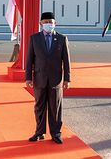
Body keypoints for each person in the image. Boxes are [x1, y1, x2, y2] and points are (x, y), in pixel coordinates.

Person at [25, 11, 71, 144]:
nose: (48, 25)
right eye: (45, 22)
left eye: (50, 22)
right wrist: (28, 77)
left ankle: (56, 133)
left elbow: (66, 60)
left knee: (55, 107)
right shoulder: (34, 38)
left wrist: (67, 79)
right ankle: (39, 132)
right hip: (39, 78)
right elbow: (29, 60)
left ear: (55, 23)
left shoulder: (62, 39)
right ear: (40, 24)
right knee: (39, 106)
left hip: (56, 79)